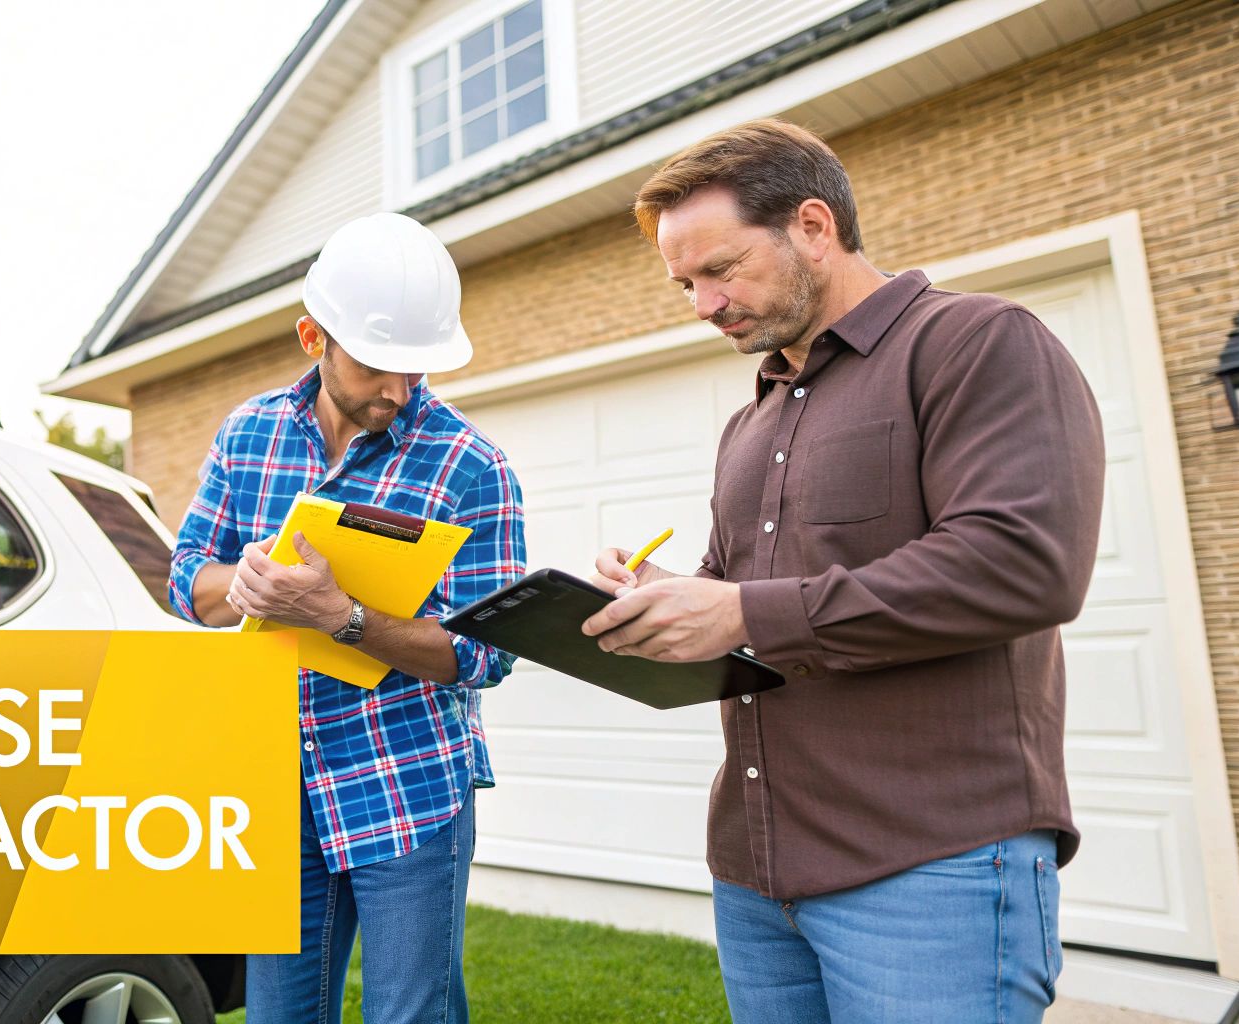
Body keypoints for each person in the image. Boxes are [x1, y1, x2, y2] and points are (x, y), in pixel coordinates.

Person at [583, 119, 1105, 1022]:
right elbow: (736, 590)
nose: (704, 304)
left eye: (722, 269)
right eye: (685, 283)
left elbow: (1024, 564)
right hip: (757, 872)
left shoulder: (976, 343)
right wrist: (660, 601)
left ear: (814, 227)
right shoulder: (750, 422)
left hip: (931, 864)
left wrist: (744, 611)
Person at [168, 211, 526, 1024]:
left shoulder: (473, 466)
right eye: (378, 366)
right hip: (276, 781)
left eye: (417, 369)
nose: (399, 392)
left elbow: (485, 655)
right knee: (279, 1016)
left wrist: (345, 617)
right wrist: (248, 586)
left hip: (406, 784)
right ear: (311, 336)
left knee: (411, 1015)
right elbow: (187, 578)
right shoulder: (247, 432)